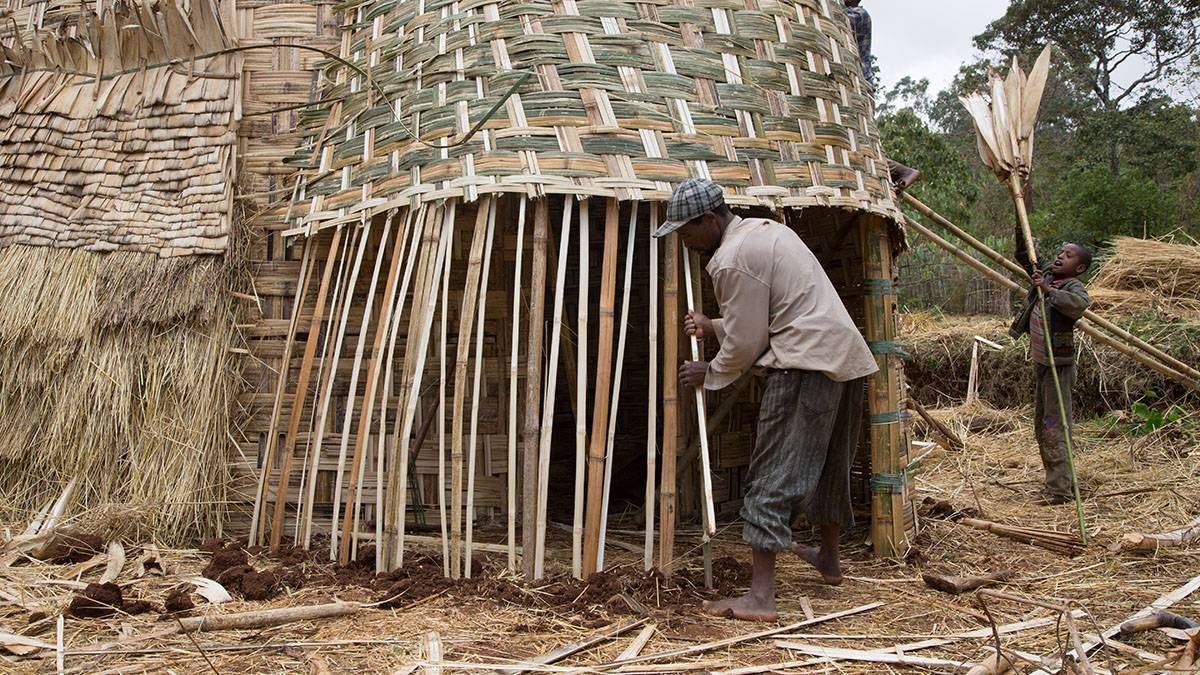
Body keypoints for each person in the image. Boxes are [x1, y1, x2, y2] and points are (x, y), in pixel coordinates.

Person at [653, 178, 879, 622]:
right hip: (844, 357)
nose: (684, 241)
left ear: (710, 220)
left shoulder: (730, 260)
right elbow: (775, 309)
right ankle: (829, 558)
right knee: (830, 464)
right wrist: (714, 325)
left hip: (804, 365)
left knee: (773, 472)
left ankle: (761, 598)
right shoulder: (767, 232)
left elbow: (747, 341)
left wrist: (710, 372)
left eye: (687, 231)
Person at [1010, 234, 1093, 505]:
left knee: (1054, 426)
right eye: (1060, 251)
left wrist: (1048, 292)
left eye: (1068, 255)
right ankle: (1056, 483)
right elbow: (1024, 254)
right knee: (1042, 424)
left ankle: (1060, 491)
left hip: (1058, 367)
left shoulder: (1072, 286)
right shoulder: (1043, 273)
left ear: (1079, 268)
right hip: (1042, 363)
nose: (1060, 256)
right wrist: (1018, 211)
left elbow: (1079, 305)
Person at [844, 0, 922, 193]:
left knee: (857, 144)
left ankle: (904, 172)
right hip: (850, 86)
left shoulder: (858, 15)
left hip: (859, 88)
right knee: (854, 145)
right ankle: (902, 172)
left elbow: (835, 19)